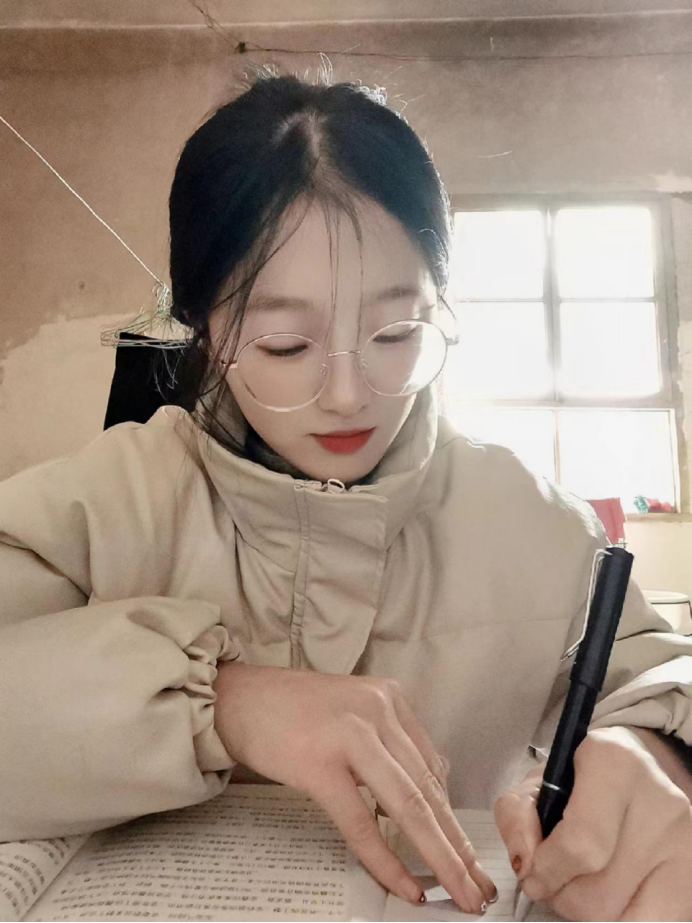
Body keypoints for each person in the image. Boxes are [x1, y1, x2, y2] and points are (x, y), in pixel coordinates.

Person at [1, 66, 692, 922]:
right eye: (286, 345)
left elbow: (659, 673)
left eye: (397, 332)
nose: (347, 395)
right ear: (203, 324)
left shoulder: (534, 521)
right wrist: (218, 703)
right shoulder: (109, 503)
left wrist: (654, 750)